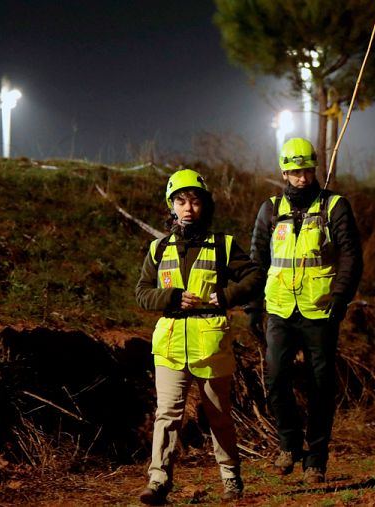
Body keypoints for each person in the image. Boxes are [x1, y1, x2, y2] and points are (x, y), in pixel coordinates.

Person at [135, 169, 263, 504]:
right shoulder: (158, 248)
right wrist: (171, 297)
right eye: (181, 201)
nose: (188, 207)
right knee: (167, 415)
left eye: (194, 200)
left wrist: (227, 295)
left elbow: (254, 277)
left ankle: (231, 480)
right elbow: (142, 293)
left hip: (211, 345)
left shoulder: (223, 245)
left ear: (204, 205)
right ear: (171, 206)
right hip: (171, 345)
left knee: (219, 416)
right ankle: (158, 482)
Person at [247, 137, 363, 484]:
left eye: (307, 170)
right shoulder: (269, 209)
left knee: (320, 386)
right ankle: (288, 443)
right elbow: (257, 260)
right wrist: (253, 307)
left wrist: (340, 298)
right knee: (275, 377)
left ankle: (316, 459)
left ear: (315, 169)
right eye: (295, 171)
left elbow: (351, 257)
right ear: (284, 171)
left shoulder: (335, 206)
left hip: (320, 310)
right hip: (280, 309)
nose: (301, 177)